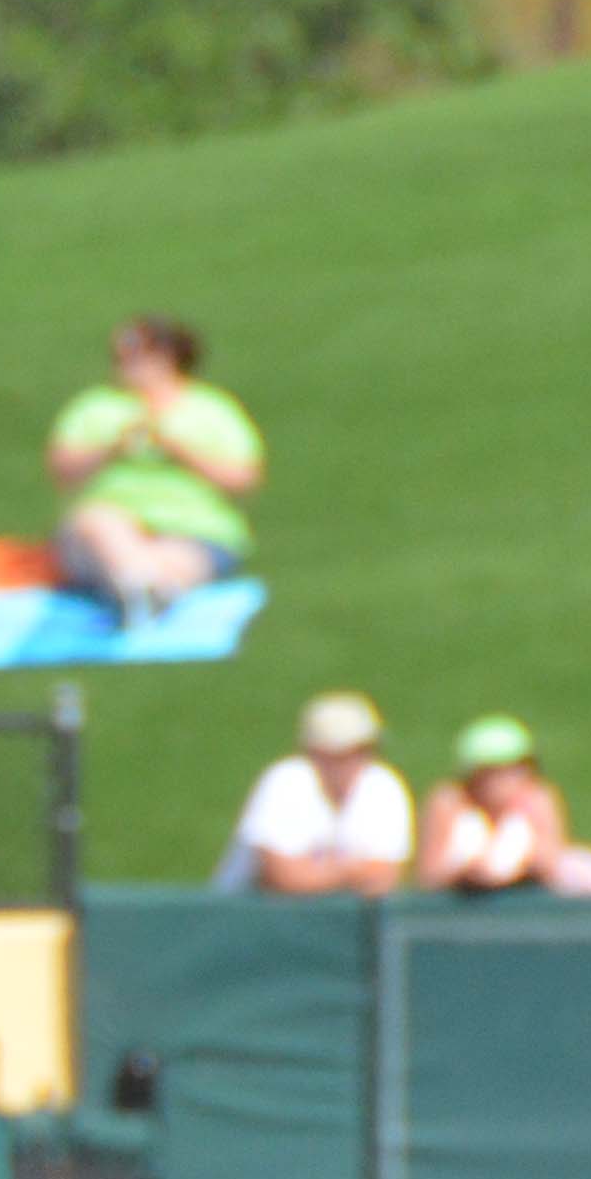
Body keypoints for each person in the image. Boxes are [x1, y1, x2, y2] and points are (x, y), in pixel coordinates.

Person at [44, 314, 262, 625]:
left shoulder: (210, 409)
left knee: (175, 562)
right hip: (109, 529)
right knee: (100, 524)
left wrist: (179, 450)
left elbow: (243, 479)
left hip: (191, 529)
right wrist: (113, 447)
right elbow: (63, 472)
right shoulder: (97, 407)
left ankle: (140, 591)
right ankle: (142, 588)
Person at [219, 690, 411, 898]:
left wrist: (318, 871)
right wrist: (352, 871)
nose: (354, 761)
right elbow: (284, 877)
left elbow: (384, 877)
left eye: (362, 750)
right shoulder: (285, 782)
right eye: (343, 753)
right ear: (314, 752)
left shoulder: (383, 786)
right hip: (250, 919)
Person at [417, 718, 591, 897]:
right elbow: (431, 876)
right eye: (493, 772)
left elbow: (549, 862)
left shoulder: (537, 798)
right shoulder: (450, 802)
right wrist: (467, 875)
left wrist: (516, 869)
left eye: (513, 771)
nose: (502, 782)